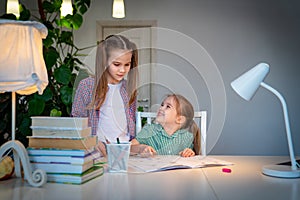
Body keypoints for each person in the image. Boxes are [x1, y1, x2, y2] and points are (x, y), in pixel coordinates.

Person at [71, 35, 138, 156]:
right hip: (97, 152)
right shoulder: (87, 86)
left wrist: (135, 145)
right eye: (117, 64)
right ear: (104, 61)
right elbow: (76, 122)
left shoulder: (129, 89)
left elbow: (131, 125)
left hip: (125, 153)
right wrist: (91, 141)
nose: (122, 70)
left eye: (127, 64)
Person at [131, 94, 201, 158]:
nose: (161, 108)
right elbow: (130, 147)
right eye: (162, 105)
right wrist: (141, 148)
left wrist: (189, 153)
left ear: (179, 119)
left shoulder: (186, 137)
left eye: (168, 106)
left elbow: (191, 158)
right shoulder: (149, 130)